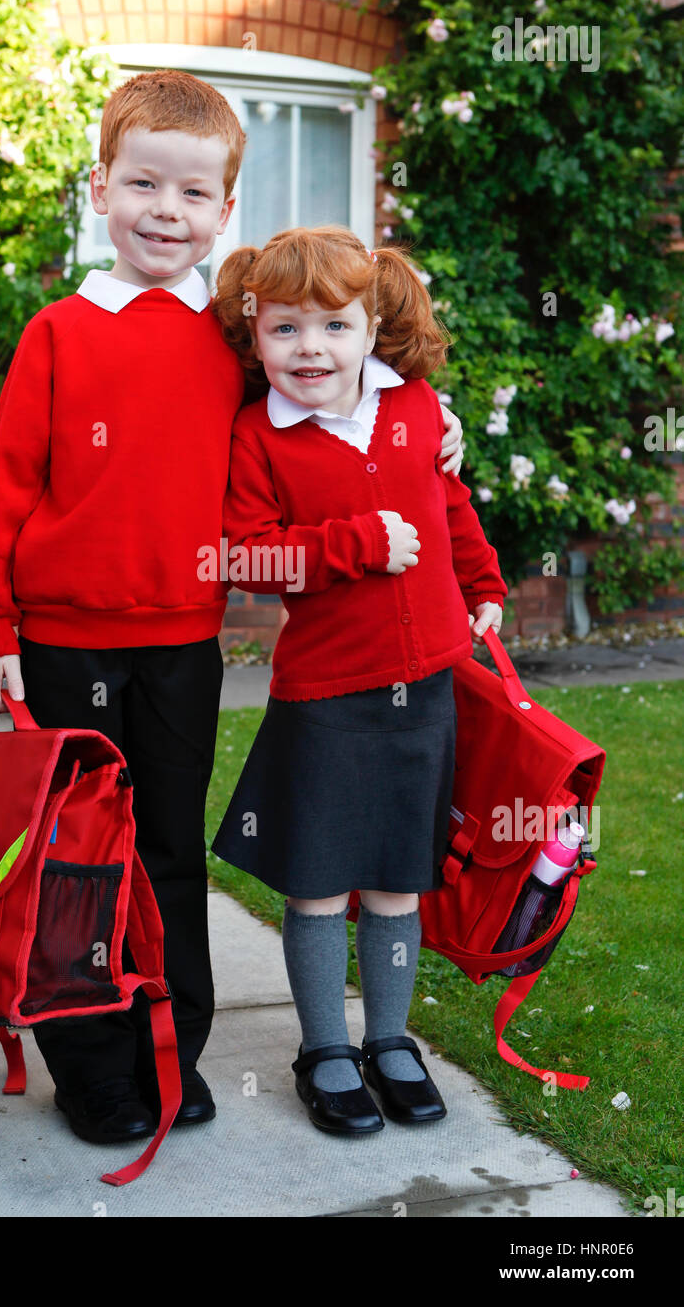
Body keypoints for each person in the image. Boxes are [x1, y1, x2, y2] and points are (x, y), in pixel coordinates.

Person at [0, 71, 466, 1148]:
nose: (163, 211)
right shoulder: (57, 333)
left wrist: (436, 422)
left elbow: (330, 376)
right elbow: (5, 486)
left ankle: (167, 1047)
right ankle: (93, 1067)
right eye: (141, 184)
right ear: (99, 188)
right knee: (77, 858)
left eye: (191, 196)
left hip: (181, 643)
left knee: (169, 852)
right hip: (60, 642)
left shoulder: (235, 341)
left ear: (223, 213)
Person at [211, 225, 508, 1137]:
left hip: (425, 689)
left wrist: (484, 584)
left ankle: (388, 1041)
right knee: (320, 885)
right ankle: (324, 1050)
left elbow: (449, 508)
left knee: (395, 883)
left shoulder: (418, 409)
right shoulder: (260, 439)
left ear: (371, 325)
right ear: (256, 336)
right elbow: (248, 560)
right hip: (330, 696)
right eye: (287, 329)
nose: (312, 350)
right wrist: (358, 545)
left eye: (334, 327)